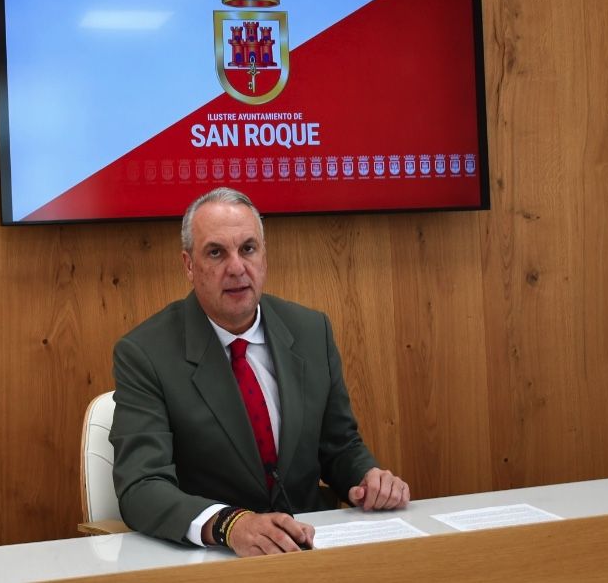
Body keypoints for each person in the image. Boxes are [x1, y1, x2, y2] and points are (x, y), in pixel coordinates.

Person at [109, 187, 409, 556]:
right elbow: (142, 485)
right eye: (216, 253)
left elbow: (339, 445)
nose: (236, 267)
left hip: (311, 549)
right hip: (216, 558)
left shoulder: (311, 331)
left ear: (264, 257)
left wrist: (367, 478)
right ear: (189, 265)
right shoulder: (145, 353)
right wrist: (230, 525)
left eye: (248, 249)